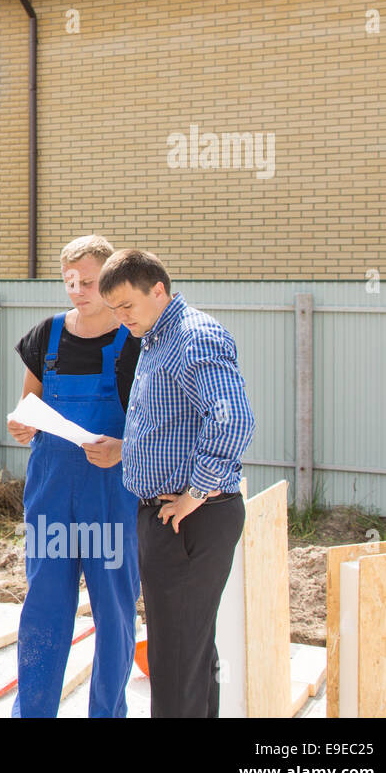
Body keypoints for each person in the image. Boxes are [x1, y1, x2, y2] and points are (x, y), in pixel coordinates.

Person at [98, 248, 255, 718]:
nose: (121, 317)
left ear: (158, 290)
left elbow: (233, 420)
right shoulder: (155, 338)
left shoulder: (194, 337)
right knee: (189, 654)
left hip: (189, 516)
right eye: (114, 310)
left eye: (127, 305)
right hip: (169, 513)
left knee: (174, 661)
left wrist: (195, 494)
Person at [7, 235, 142, 717]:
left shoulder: (136, 342)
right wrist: (21, 423)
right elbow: (30, 408)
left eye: (88, 281)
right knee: (44, 610)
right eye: (70, 282)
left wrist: (124, 450)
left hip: (112, 500)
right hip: (51, 498)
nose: (78, 290)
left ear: (108, 281)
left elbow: (155, 427)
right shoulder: (44, 336)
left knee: (114, 617)